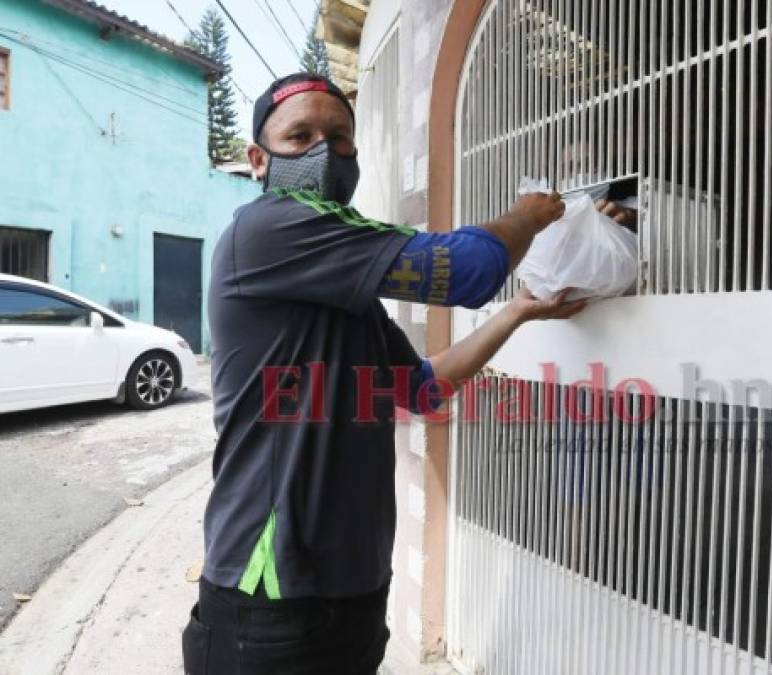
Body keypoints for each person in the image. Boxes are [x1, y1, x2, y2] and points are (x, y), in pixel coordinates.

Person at [182, 72, 588, 675]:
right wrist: (527, 216)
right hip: (268, 603)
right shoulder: (265, 230)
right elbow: (465, 269)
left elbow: (422, 389)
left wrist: (519, 311)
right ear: (257, 158)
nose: (325, 150)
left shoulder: (351, 298)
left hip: (353, 593)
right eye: (300, 136)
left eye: (340, 136)